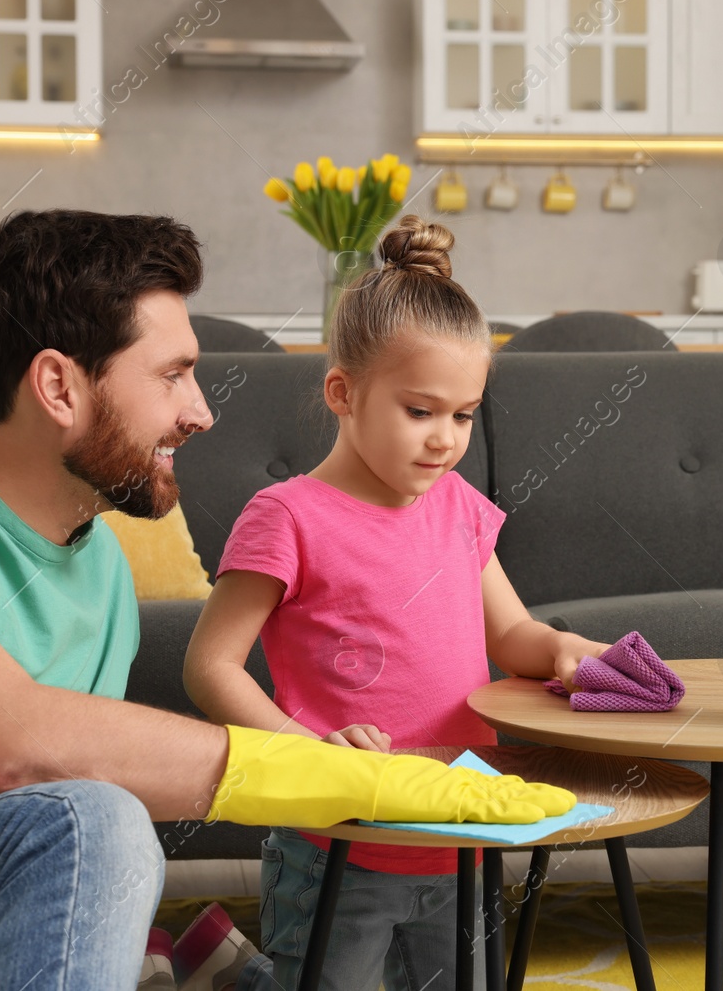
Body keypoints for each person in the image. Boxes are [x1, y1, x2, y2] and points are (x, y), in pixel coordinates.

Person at [0, 209, 574, 991]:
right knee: (89, 820)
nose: (202, 411)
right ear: (59, 386)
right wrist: (334, 773)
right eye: (174, 374)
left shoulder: (99, 565)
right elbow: (12, 742)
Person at [183, 214, 610, 991]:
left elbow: (508, 630)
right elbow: (210, 664)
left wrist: (561, 651)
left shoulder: (459, 507)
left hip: (458, 828)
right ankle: (228, 972)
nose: (445, 438)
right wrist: (302, 748)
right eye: (421, 410)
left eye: (464, 413)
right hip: (336, 836)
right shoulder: (287, 515)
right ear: (343, 393)